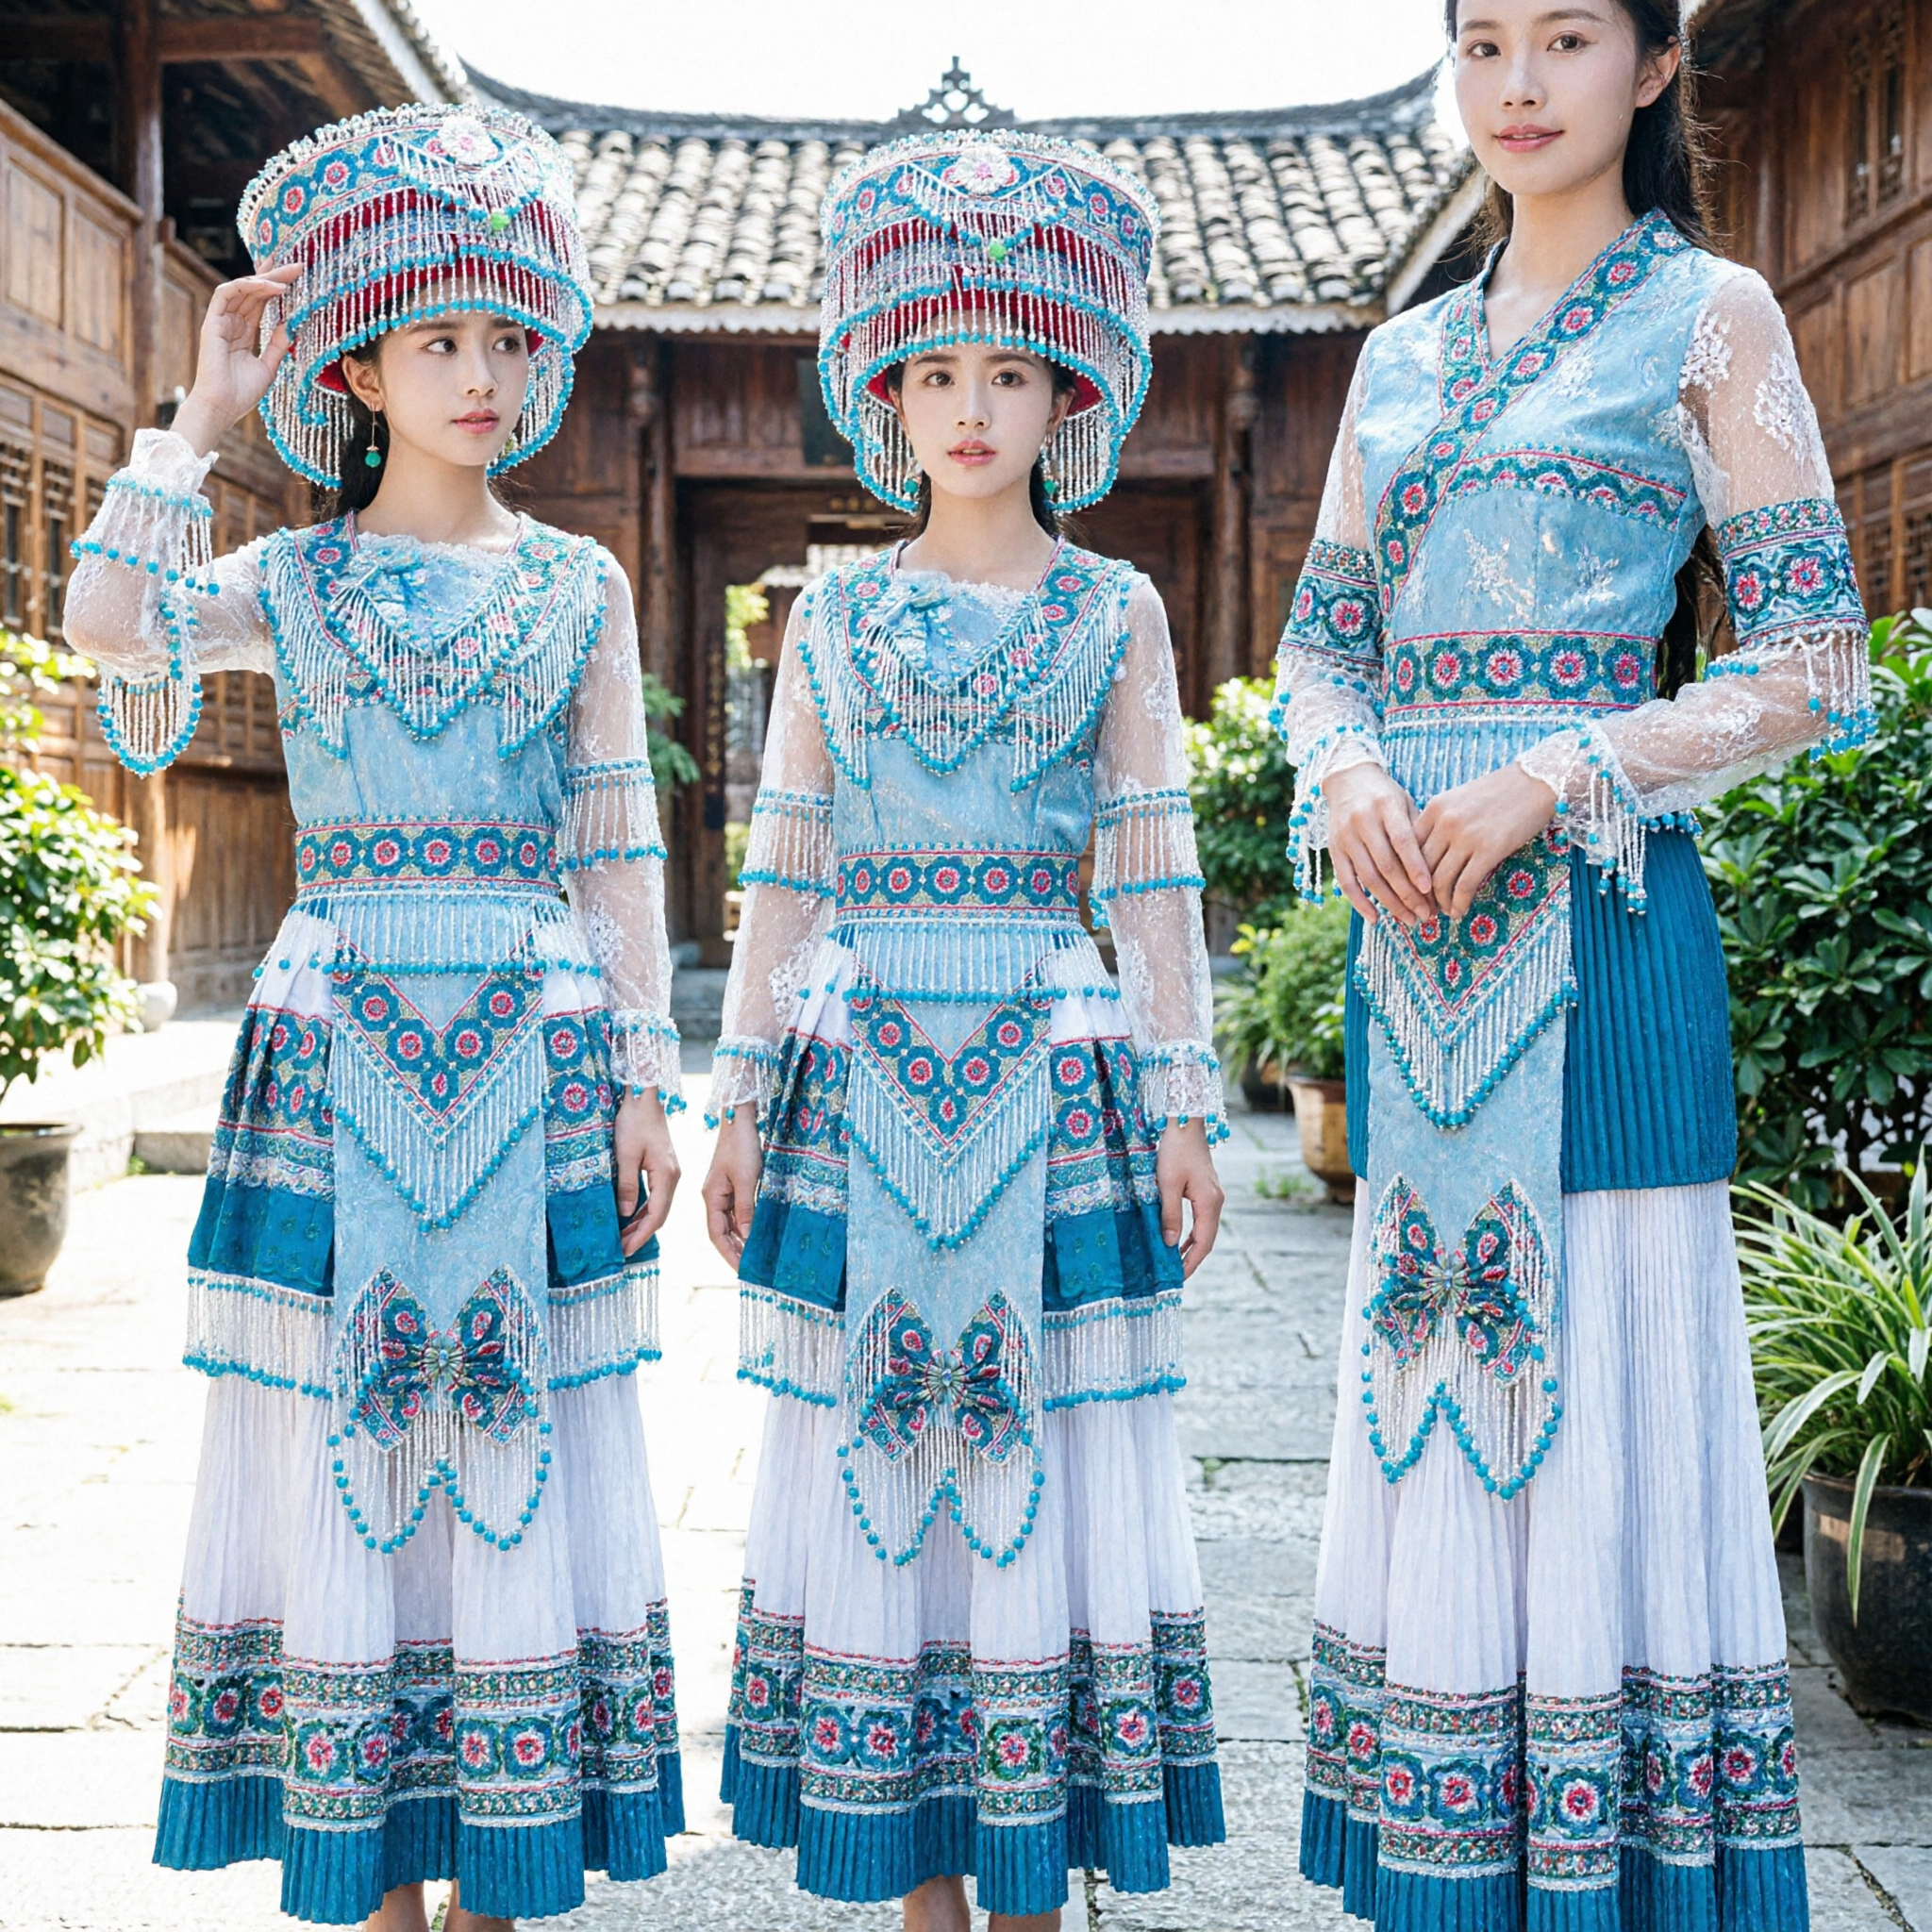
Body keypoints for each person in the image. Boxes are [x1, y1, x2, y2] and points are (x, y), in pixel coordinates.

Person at [1274, 1, 1869, 1926]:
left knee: (1605, 1385)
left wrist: (1560, 766)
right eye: (1480, 44)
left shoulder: (1712, 318)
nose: (1517, 86)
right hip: (1418, 951)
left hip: (1607, 931)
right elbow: (1320, 644)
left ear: (1654, 63)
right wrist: (1347, 770)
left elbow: (1816, 661)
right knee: (1442, 1387)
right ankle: (1453, 1870)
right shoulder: (1396, 358)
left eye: (1564, 37)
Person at [64, 104, 686, 1930]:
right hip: (337, 1051)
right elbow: (108, 624)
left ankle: (496, 1867)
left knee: (509, 1431)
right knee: (345, 1438)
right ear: (355, 369)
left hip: (532, 1054)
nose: (483, 376)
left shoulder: (579, 583)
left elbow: (617, 846)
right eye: (437, 341)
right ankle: (373, 1874)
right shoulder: (292, 579)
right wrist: (200, 419)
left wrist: (644, 1080)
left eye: (509, 340)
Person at [699, 130, 1229, 1930]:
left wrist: (1182, 1106)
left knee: (1037, 1460)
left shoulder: (1117, 607)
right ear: (887, 398)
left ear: (1069, 394)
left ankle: (1026, 1885)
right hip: (858, 1074)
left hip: (1055, 1074)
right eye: (935, 373)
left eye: (1009, 371)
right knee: (884, 1460)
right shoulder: (834, 612)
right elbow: (787, 860)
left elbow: (1150, 870)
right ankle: (923, 1887)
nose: (972, 406)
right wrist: (740, 1095)